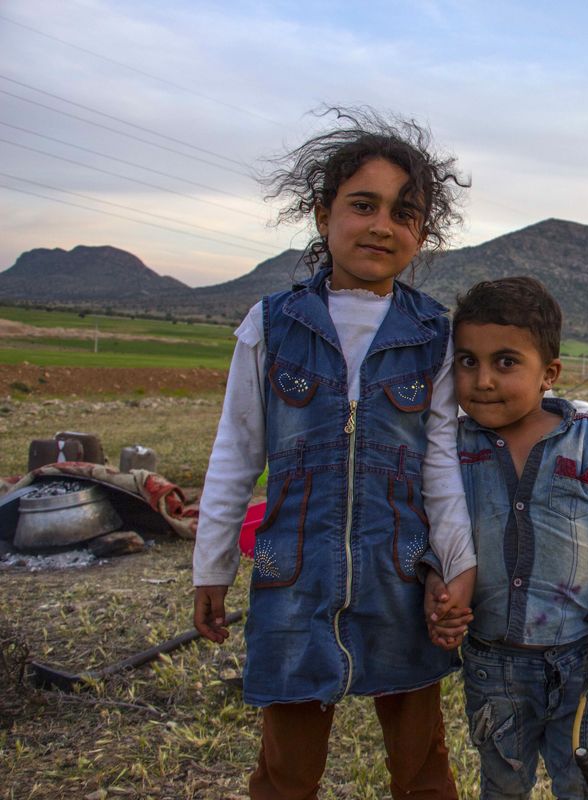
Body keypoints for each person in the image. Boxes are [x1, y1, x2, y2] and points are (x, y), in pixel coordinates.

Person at [191, 107, 475, 800]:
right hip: (294, 578)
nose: (382, 225)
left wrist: (460, 565)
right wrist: (212, 564)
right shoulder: (270, 325)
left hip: (402, 579)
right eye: (363, 205)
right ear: (323, 215)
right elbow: (236, 452)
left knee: (422, 766)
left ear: (423, 234)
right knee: (286, 772)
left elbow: (441, 462)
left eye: (404, 213)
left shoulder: (433, 334)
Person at [425, 277, 588, 800]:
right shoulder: (452, 449)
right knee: (502, 785)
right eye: (467, 362)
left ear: (549, 373)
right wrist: (437, 587)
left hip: (581, 658)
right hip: (492, 662)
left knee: (584, 784)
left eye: (506, 362)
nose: (483, 380)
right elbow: (433, 533)